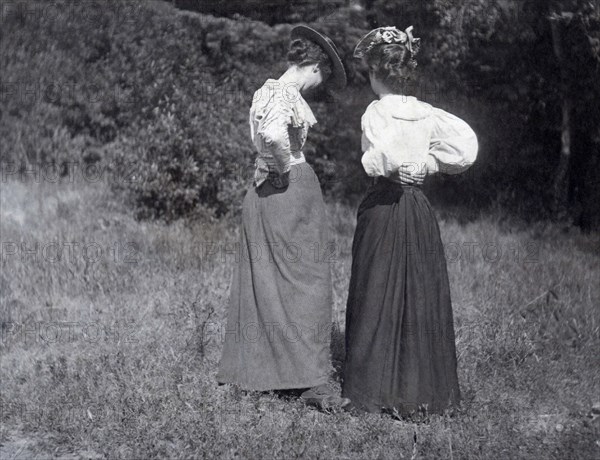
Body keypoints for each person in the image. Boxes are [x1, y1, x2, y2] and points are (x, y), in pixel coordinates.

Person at [342, 26, 478, 416]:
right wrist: (426, 164)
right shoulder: (428, 114)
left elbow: (374, 160)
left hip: (384, 206)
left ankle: (373, 389)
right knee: (417, 291)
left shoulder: (376, 112)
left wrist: (401, 165)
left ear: (375, 75)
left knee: (377, 287)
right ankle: (418, 388)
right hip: (417, 207)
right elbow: (465, 150)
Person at [217, 26, 349, 410]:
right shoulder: (282, 94)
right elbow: (274, 137)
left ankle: (270, 373)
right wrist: (283, 168)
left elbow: (267, 136)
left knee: (272, 282)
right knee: (308, 280)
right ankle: (309, 380)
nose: (317, 86)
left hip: (266, 191)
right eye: (321, 77)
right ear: (312, 66)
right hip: (286, 187)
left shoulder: (266, 90)